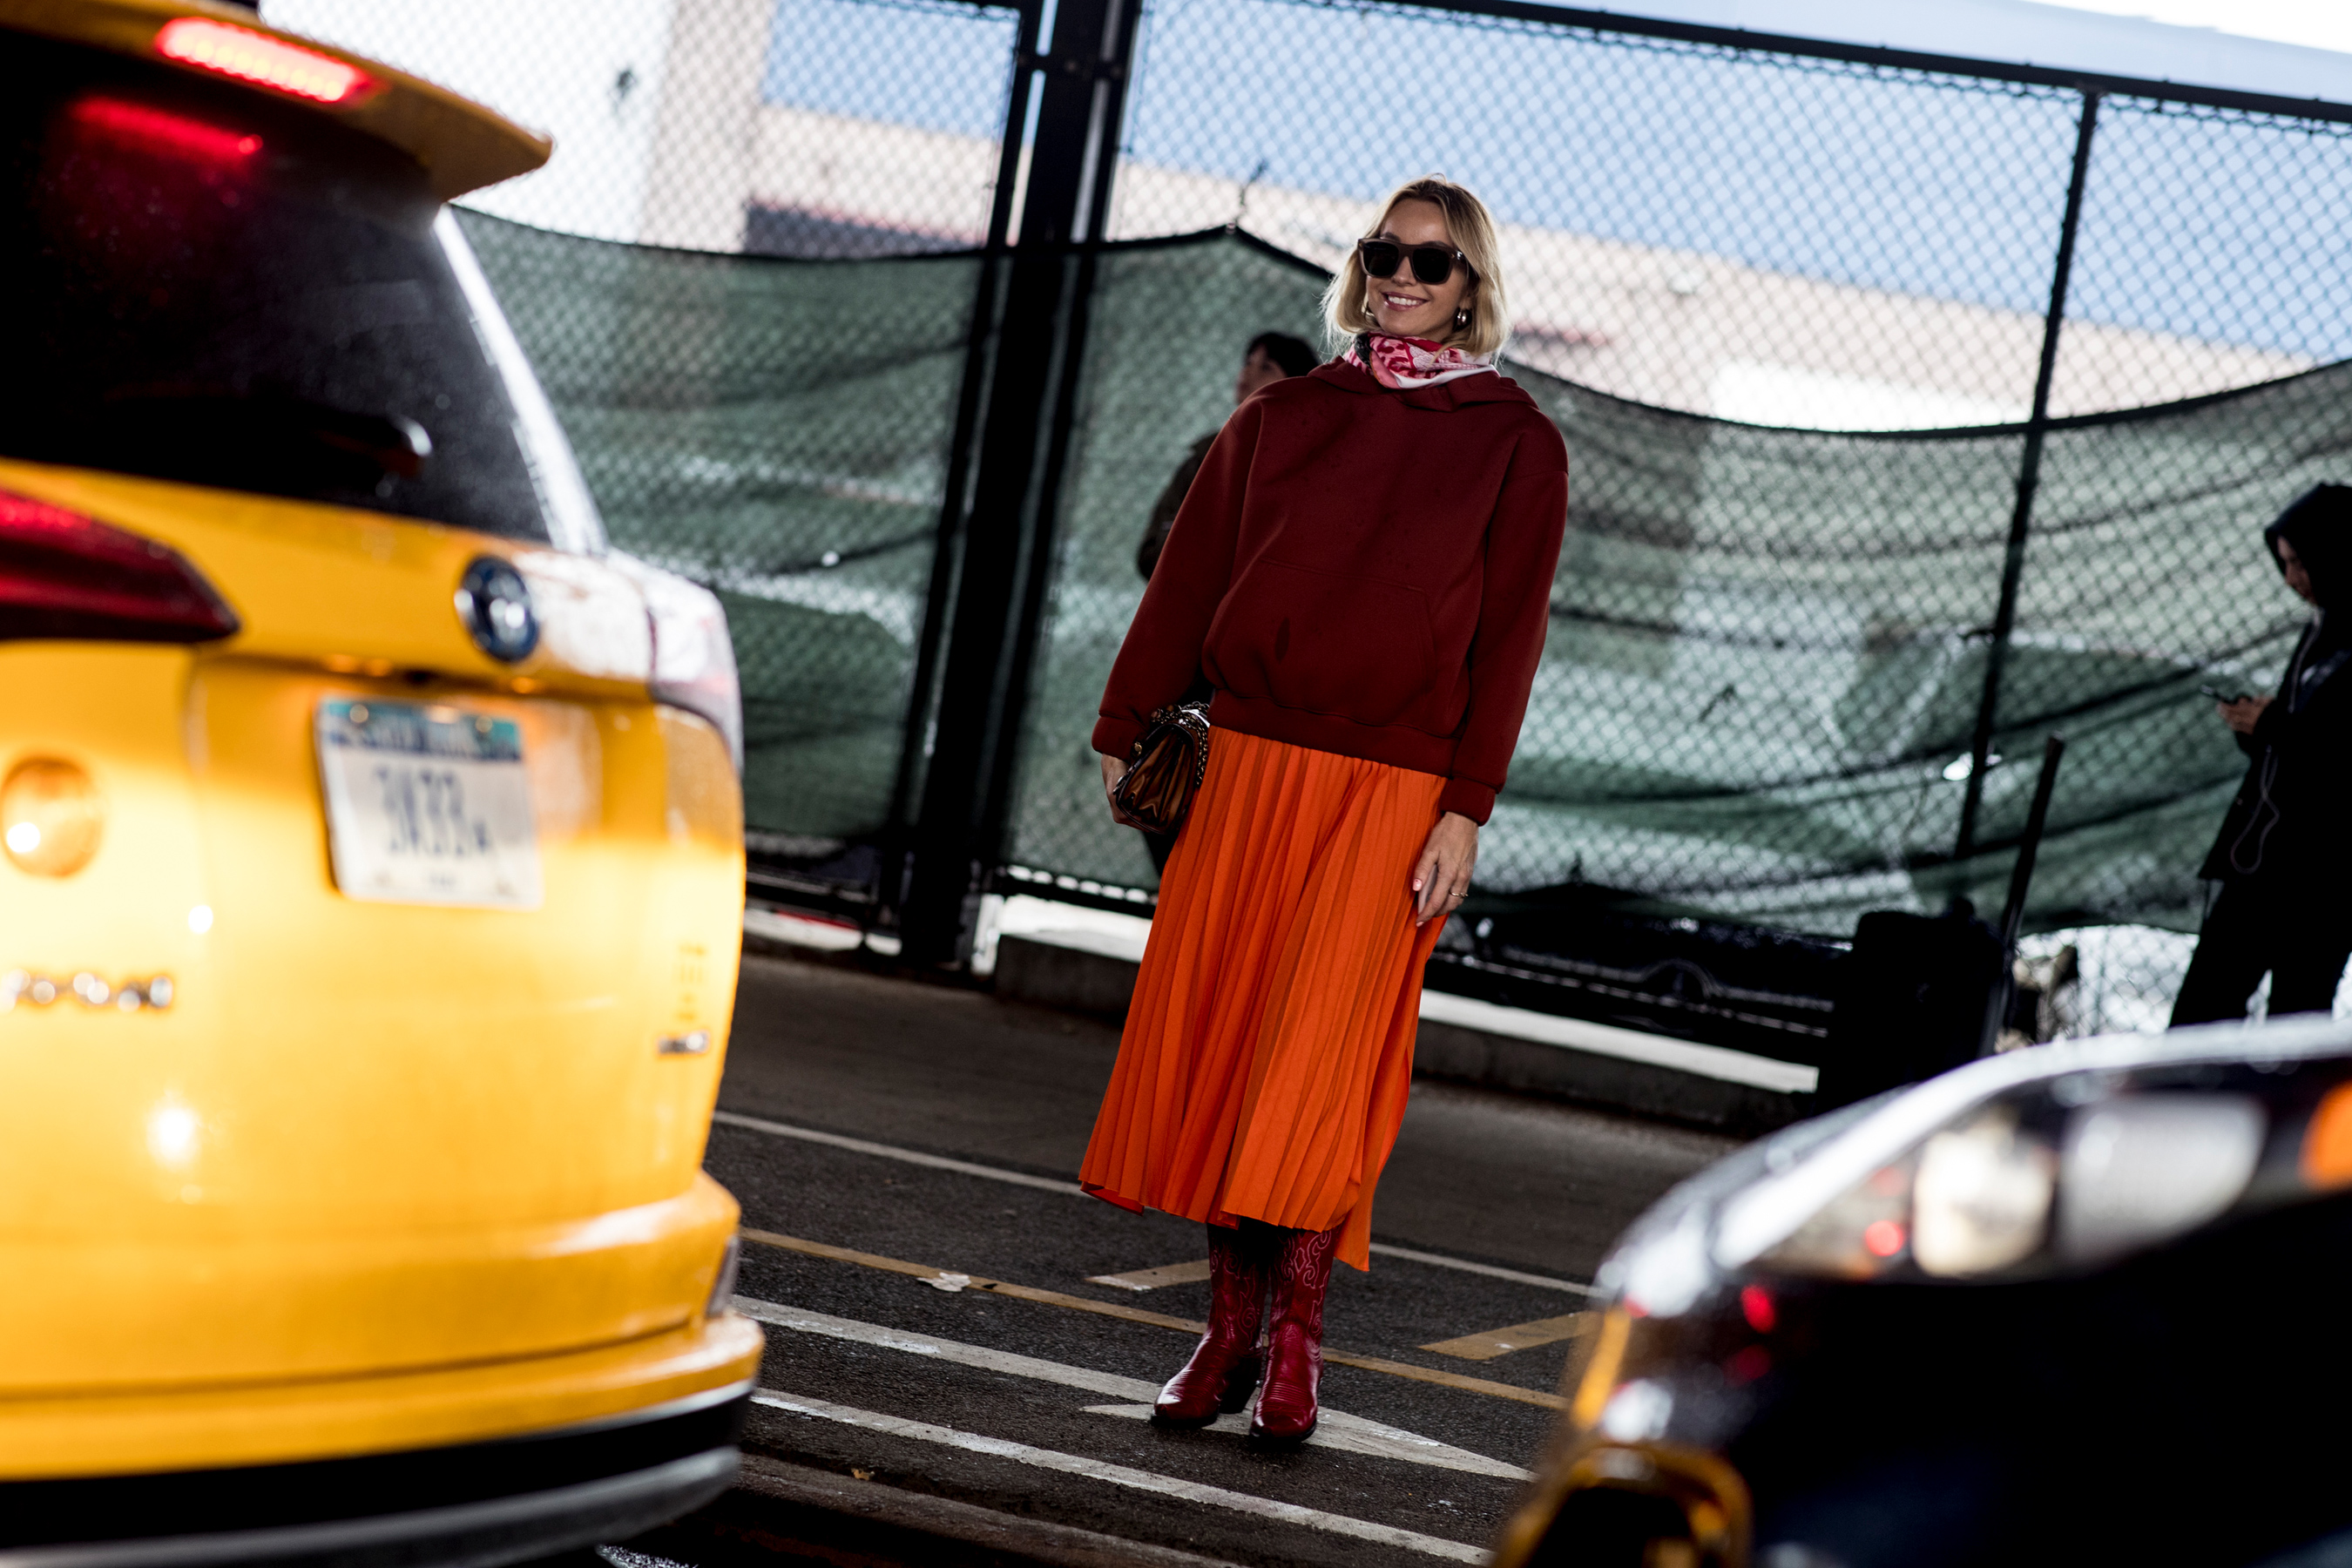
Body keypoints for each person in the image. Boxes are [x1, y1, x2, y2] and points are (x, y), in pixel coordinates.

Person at [1083, 177, 1568, 1446]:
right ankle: (1226, 1332)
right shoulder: (1282, 417)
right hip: (1247, 770)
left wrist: (1467, 809)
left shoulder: (1517, 443)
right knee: (1232, 1045)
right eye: (1383, 252)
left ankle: (1296, 1336)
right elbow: (1189, 580)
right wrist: (1123, 726)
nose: (1402, 274)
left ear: (1471, 289)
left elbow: (1510, 642)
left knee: (1318, 1062)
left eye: (1432, 262)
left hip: (1395, 795)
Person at [2171, 483, 2352, 1026]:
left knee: (2294, 1024)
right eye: (2285, 564)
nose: (2291, 579)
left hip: (2325, 876)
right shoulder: (2321, 630)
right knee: (2204, 1011)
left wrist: (2275, 726)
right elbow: (2303, 737)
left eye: (2300, 563)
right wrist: (2258, 729)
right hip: (2266, 861)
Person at [1136, 333, 1319, 581]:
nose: (1248, 372)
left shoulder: (1310, 468)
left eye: (1266, 367)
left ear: (1295, 386)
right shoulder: (1206, 456)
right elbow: (1150, 554)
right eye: (1248, 362)